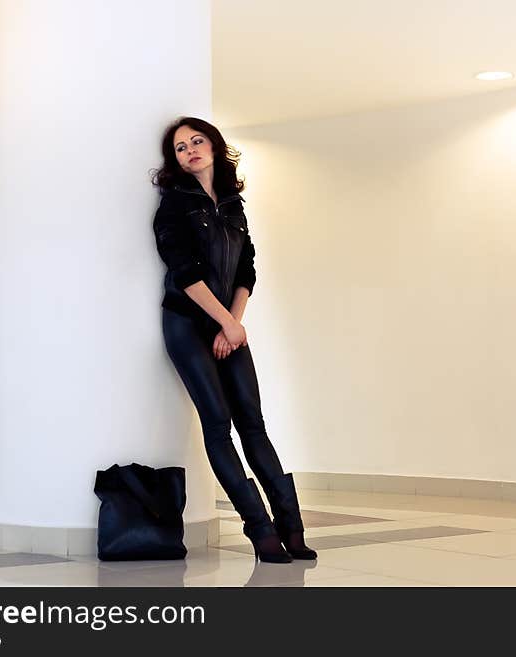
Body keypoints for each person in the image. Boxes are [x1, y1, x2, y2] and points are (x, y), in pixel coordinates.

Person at [150, 116, 317, 564]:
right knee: (218, 423)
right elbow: (183, 274)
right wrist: (226, 322)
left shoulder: (232, 205)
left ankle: (292, 528)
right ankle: (260, 533)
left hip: (227, 324)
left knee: (254, 423)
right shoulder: (173, 205)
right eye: (180, 148)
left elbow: (247, 271)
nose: (190, 151)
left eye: (197, 141)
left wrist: (233, 324)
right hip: (187, 325)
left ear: (215, 145)